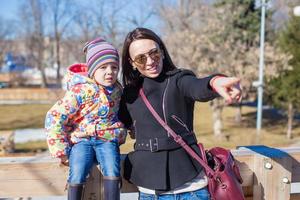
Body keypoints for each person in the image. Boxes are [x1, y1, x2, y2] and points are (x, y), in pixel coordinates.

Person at [118, 27, 242, 200]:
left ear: (161, 51)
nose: (149, 61)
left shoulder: (178, 79)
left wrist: (216, 82)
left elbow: (197, 87)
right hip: (149, 191)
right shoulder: (129, 94)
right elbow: (113, 125)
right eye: (140, 58)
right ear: (131, 62)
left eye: (154, 53)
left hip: (191, 189)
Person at [45, 38, 126, 200]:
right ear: (92, 70)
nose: (110, 71)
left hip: (107, 139)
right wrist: (60, 150)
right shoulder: (81, 91)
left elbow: (124, 113)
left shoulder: (118, 91)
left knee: (112, 169)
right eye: (103, 67)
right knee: (78, 169)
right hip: (82, 140)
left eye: (114, 67)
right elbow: (55, 116)